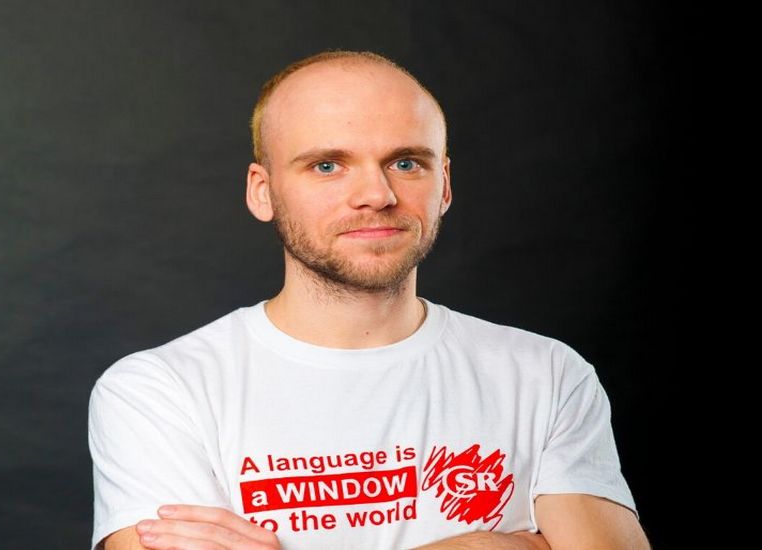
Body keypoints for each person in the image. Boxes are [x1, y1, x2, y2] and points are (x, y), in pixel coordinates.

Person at [89, 50, 650, 550]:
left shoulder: (546, 375)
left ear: (444, 184)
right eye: (327, 165)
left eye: (406, 163)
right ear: (263, 192)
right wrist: (497, 546)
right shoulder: (159, 392)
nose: (376, 196)